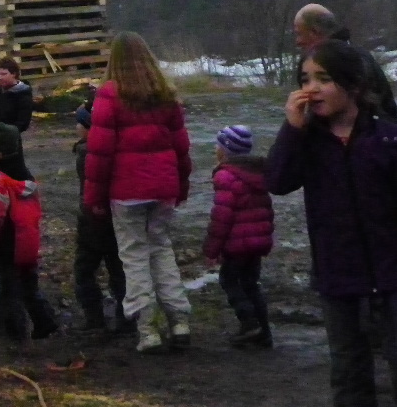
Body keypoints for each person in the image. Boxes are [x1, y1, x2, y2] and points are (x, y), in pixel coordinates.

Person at [266, 39, 397, 405]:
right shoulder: (307, 141)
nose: (311, 88)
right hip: (338, 277)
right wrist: (292, 129)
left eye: (324, 79)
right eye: (305, 79)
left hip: (396, 277)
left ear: (353, 84)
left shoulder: (389, 139)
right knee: (349, 374)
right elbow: (277, 181)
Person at [82, 31, 193, 354]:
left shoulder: (109, 94)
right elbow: (181, 147)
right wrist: (181, 186)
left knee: (134, 256)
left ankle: (147, 329)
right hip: (163, 188)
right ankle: (179, 320)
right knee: (161, 249)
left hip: (127, 190)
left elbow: (100, 153)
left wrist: (94, 198)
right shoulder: (165, 93)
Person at [0, 125, 59, 341]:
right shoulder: (27, 177)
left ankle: (15, 334)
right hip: (28, 240)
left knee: (7, 291)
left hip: (7, 245)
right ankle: (45, 322)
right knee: (29, 285)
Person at [203, 125, 274, 348]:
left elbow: (221, 217)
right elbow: (267, 209)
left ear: (225, 150)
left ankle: (249, 322)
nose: (215, 148)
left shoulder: (226, 176)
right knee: (251, 284)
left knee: (229, 280)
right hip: (257, 241)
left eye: (218, 145)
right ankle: (264, 331)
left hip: (236, 244)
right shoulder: (258, 173)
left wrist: (211, 249)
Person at [72, 94, 128, 333]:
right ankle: (126, 318)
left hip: (93, 218)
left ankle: (94, 318)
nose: (76, 127)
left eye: (79, 123)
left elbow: (91, 188)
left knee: (85, 270)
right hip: (117, 215)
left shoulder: (87, 152)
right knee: (119, 268)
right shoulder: (117, 147)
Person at [293, 2, 397, 122]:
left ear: (315, 31)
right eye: (306, 80)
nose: (297, 42)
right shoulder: (322, 60)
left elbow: (370, 112)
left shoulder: (354, 61)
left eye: (299, 34)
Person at [0, 57, 34, 133]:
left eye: (4, 74)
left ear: (14, 74)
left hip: (12, 135)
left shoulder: (23, 94)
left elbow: (23, 123)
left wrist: (8, 132)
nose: (0, 78)